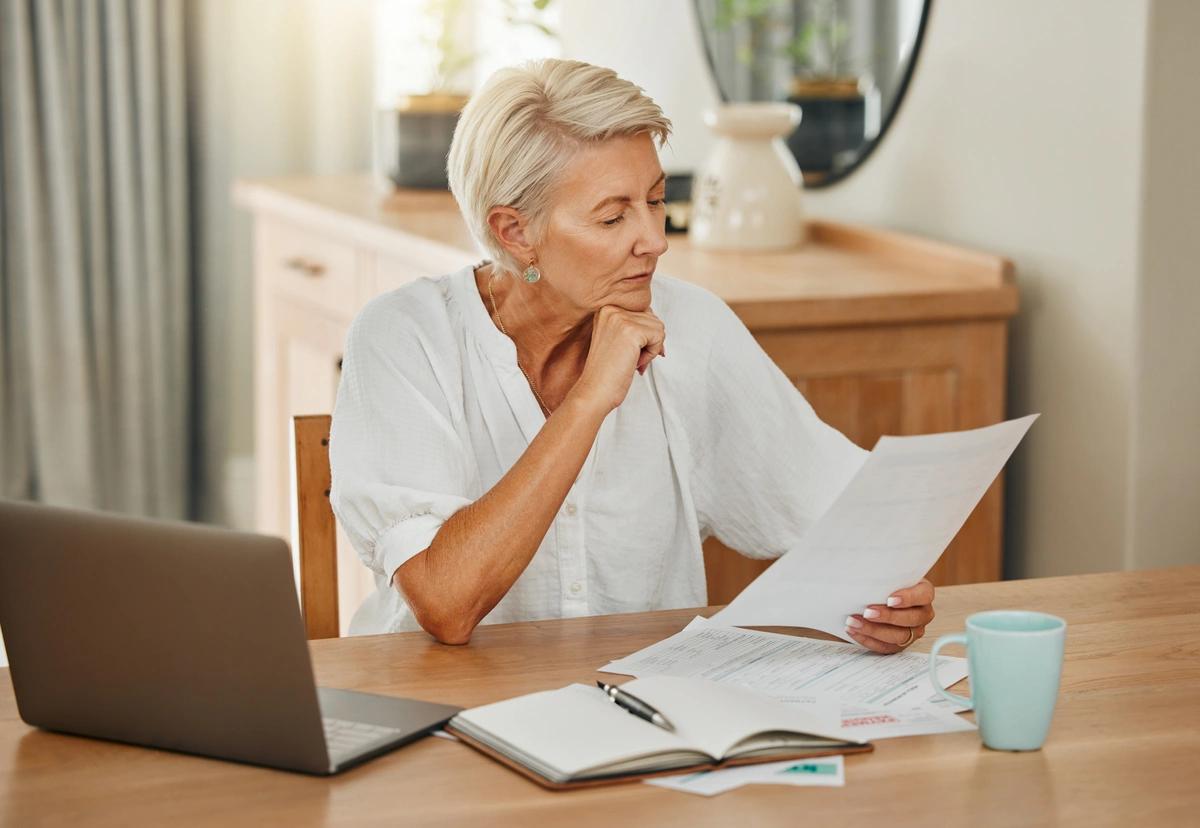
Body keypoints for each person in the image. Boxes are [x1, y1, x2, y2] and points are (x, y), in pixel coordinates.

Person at [329, 58, 935, 651]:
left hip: (643, 712)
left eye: (656, 201)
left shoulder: (692, 326)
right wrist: (591, 399)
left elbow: (848, 513)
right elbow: (445, 602)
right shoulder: (404, 337)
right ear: (515, 232)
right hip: (439, 720)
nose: (653, 240)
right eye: (613, 216)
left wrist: (888, 598)